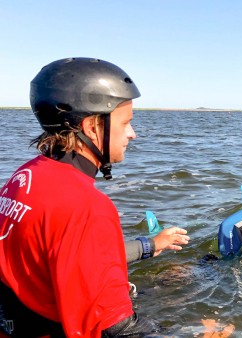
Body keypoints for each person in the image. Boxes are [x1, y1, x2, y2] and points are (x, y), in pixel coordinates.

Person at [0, 57, 187, 337]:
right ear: (91, 127)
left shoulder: (25, 177)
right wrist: (198, 332)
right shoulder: (86, 206)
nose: (132, 134)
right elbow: (116, 329)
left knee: (172, 277)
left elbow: (65, 253)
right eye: (126, 123)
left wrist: (148, 246)